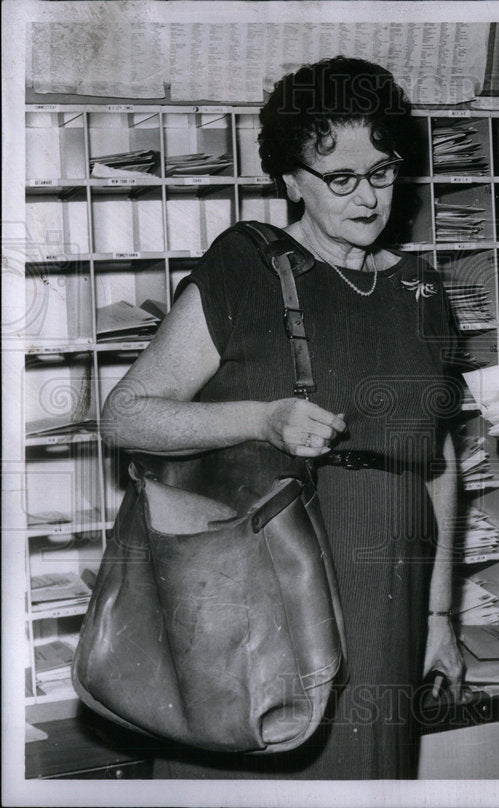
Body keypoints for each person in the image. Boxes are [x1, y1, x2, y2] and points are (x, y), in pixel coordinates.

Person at [100, 56, 464, 779]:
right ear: (290, 180)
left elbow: (440, 462)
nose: (367, 197)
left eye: (383, 172)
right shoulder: (247, 267)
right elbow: (126, 416)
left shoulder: (421, 289)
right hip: (269, 589)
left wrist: (440, 617)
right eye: (340, 179)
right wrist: (261, 419)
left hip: (389, 600)